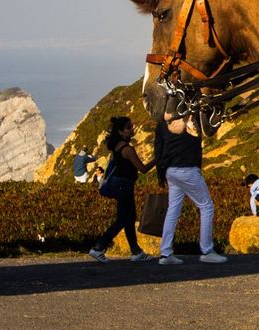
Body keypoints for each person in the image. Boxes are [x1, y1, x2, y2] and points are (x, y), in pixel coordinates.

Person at [155, 113, 227, 265]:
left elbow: (158, 150)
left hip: (170, 170)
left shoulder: (162, 124)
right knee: (207, 207)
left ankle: (165, 253)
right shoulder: (193, 119)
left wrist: (161, 174)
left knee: (173, 210)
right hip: (187, 169)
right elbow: (210, 129)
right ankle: (207, 250)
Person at [88, 116, 156, 262]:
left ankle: (136, 251)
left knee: (129, 218)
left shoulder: (117, 147)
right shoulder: (127, 150)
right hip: (124, 185)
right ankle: (98, 247)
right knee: (123, 219)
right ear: (121, 131)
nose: (132, 129)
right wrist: (158, 159)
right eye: (129, 127)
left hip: (119, 184)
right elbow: (143, 169)